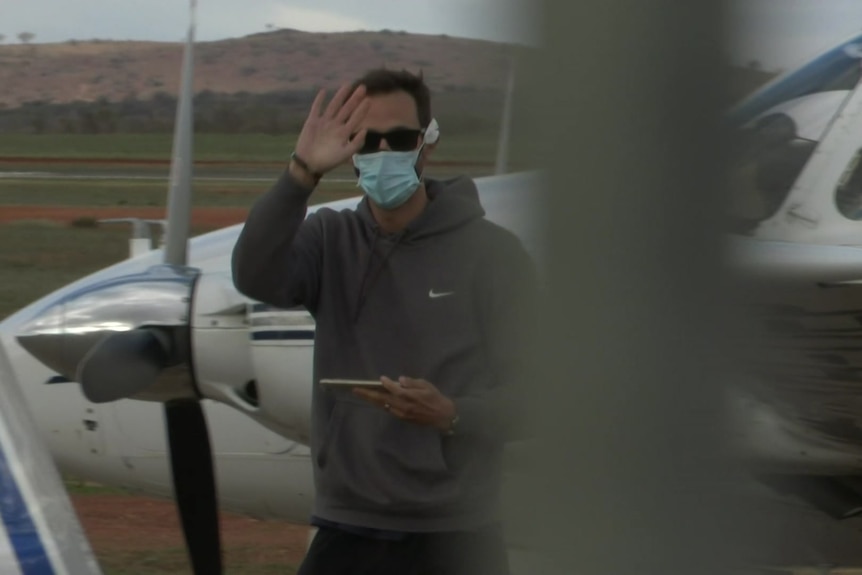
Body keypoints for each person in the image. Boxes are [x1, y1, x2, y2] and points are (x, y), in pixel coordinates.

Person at [231, 68, 537, 575]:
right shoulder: (328, 240)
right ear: (350, 151)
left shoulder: (494, 256)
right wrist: (300, 175)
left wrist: (454, 415)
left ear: (426, 144)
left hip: (459, 536)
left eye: (398, 139)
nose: (383, 152)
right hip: (348, 529)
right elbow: (253, 275)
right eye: (366, 141)